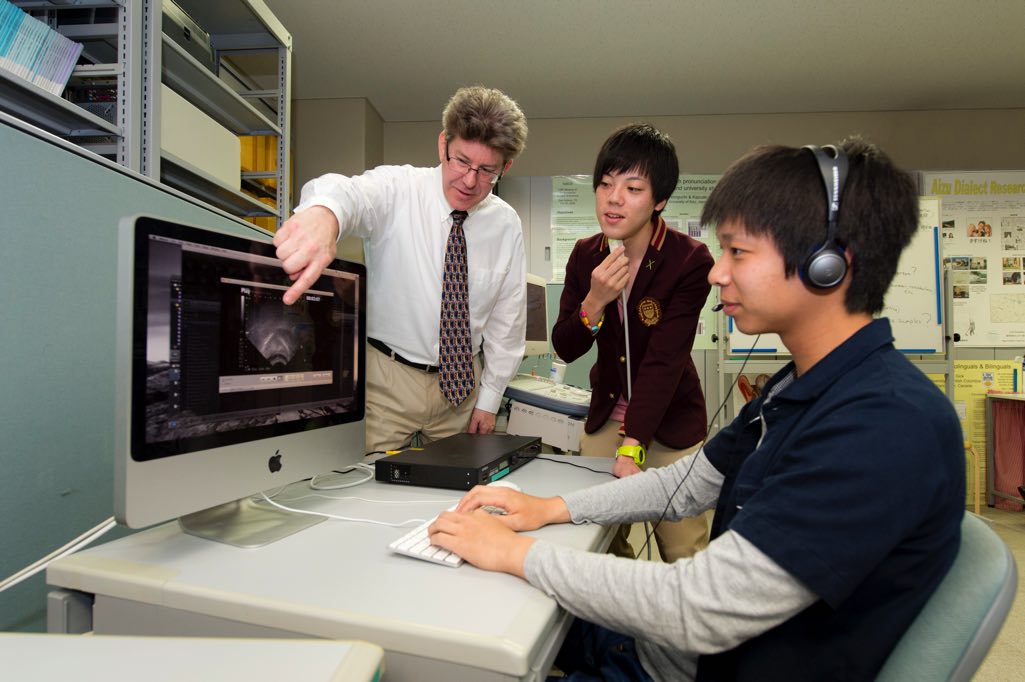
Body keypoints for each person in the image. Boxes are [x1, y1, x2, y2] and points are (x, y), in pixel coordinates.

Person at [428, 138, 965, 681]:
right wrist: (550, 509)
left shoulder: (880, 426)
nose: (717, 273)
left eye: (739, 252)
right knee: (477, 632)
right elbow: (684, 483)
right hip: (666, 649)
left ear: (825, 265)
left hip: (691, 663)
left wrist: (515, 555)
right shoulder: (801, 389)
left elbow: (699, 607)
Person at [272, 86, 528, 452]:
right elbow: (349, 194)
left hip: (460, 389)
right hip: (387, 381)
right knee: (363, 488)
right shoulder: (398, 189)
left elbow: (508, 320)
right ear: (443, 145)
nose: (470, 181)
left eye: (487, 170)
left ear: (506, 167)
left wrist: (490, 399)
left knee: (458, 499)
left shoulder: (506, 225)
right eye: (460, 161)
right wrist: (325, 214)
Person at [550, 123, 713, 562]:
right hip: (606, 419)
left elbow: (666, 359)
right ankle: (614, 633)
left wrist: (635, 441)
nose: (613, 198)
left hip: (669, 428)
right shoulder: (586, 254)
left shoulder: (689, 260)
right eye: (605, 184)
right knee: (599, 548)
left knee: (684, 553)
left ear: (659, 200)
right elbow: (566, 347)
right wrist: (595, 302)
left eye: (632, 187)